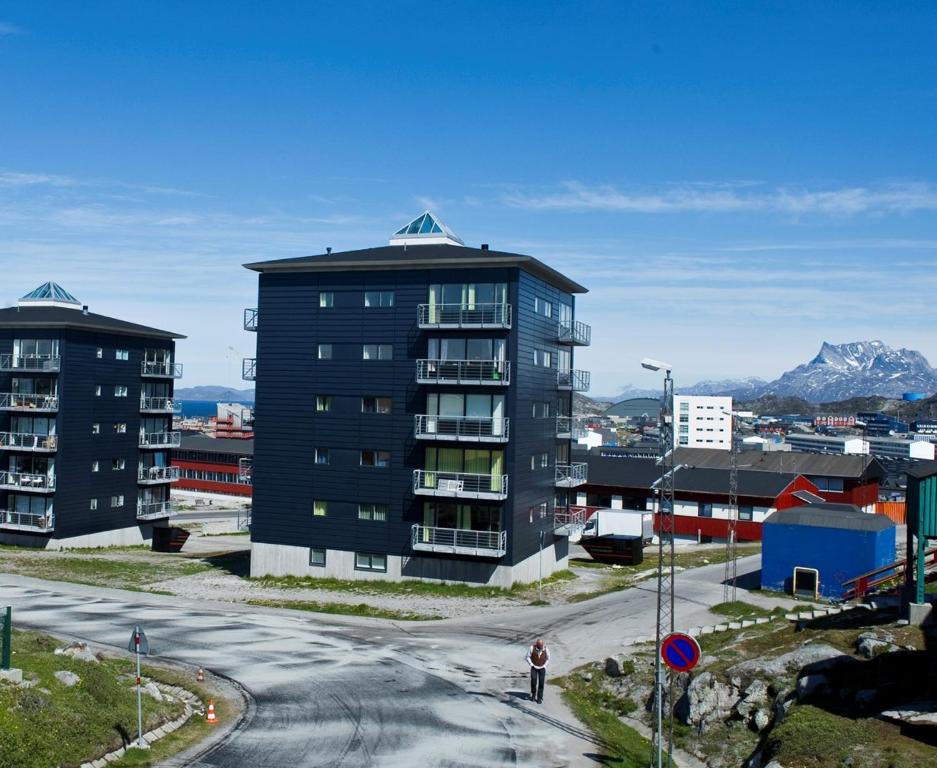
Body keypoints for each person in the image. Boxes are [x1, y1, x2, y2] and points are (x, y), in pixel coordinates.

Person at [525, 638, 550, 703]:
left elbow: (548, 658)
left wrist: (545, 666)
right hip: (534, 667)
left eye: (542, 645)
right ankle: (533, 694)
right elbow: (527, 657)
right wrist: (531, 664)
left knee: (541, 682)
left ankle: (540, 697)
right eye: (540, 646)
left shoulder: (546, 649)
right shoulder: (531, 648)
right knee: (533, 680)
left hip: (542, 668)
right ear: (537, 645)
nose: (541, 647)